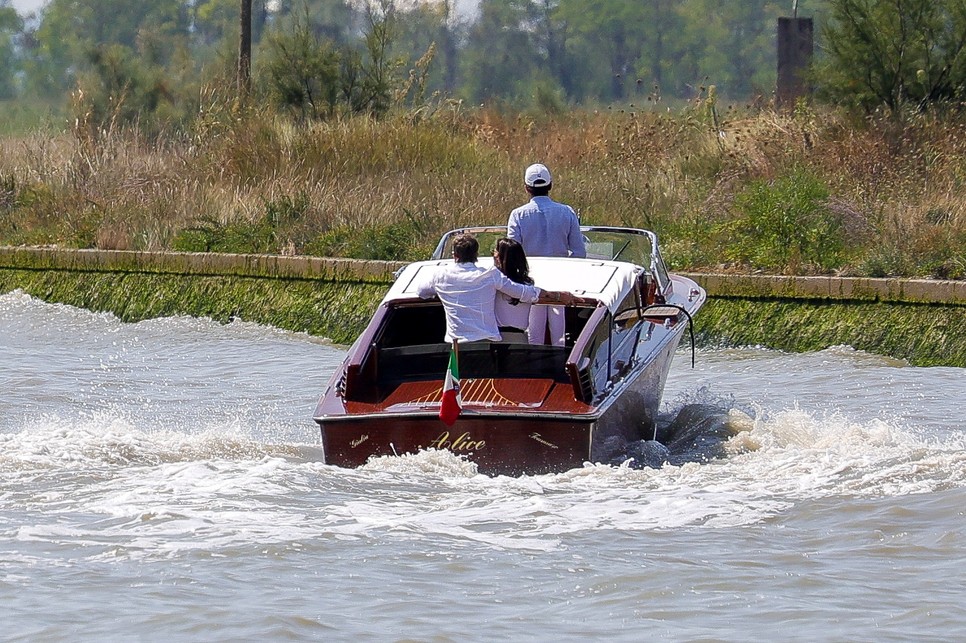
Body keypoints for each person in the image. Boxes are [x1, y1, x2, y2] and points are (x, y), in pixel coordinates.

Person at [417, 233, 556, 344]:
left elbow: (421, 292)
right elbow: (520, 291)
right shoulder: (489, 275)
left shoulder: (440, 275)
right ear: (476, 255)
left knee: (460, 379)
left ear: (455, 255)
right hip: (485, 340)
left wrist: (439, 293)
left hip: (456, 342)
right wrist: (554, 295)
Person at [507, 163, 586, 345]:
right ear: (550, 185)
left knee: (534, 328)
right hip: (560, 274)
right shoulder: (567, 212)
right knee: (559, 327)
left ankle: (534, 361)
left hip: (531, 276)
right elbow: (579, 251)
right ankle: (560, 361)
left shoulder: (517, 215)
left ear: (527, 188)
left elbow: (513, 251)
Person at [492, 237, 574, 343]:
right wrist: (558, 296)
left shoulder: (495, 282)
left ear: (500, 257)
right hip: (518, 338)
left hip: (497, 337)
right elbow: (530, 293)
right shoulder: (527, 284)